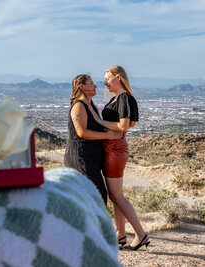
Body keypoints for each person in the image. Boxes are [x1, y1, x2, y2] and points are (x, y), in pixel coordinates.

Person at [89, 65, 150, 251]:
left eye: (107, 78)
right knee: (116, 195)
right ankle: (120, 234)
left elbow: (123, 125)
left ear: (118, 78)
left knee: (117, 196)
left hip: (115, 149)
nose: (105, 82)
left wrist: (99, 121)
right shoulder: (118, 98)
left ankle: (140, 235)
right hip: (112, 148)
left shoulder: (124, 98)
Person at [64, 74, 123, 205]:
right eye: (91, 83)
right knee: (96, 194)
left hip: (92, 156)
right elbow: (82, 132)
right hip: (81, 156)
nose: (95, 85)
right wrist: (108, 136)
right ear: (82, 87)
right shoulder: (79, 106)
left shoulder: (90, 105)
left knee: (95, 195)